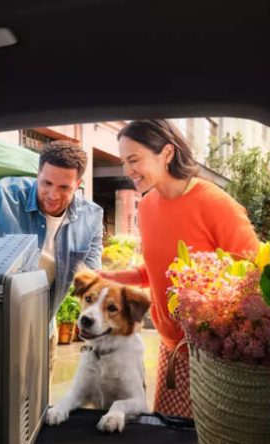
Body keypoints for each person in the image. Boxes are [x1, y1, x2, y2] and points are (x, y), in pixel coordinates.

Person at [99, 119, 259, 419]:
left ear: (167, 154)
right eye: (123, 161)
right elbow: (154, 272)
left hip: (215, 355)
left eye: (134, 160)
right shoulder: (147, 207)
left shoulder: (216, 203)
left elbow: (253, 276)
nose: (127, 170)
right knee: (167, 433)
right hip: (170, 347)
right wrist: (103, 277)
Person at [0, 140, 103, 374]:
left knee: (35, 407)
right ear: (38, 174)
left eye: (64, 187)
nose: (53, 194)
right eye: (46, 183)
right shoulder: (3, 194)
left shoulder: (92, 217)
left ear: (78, 184)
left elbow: (93, 280)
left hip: (42, 332)